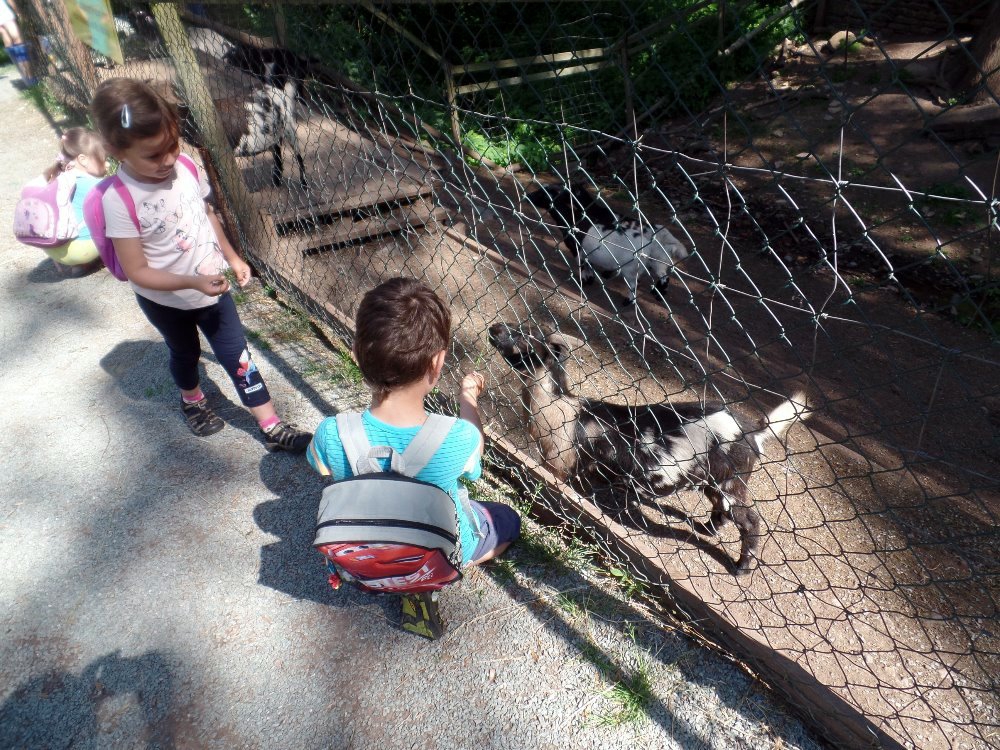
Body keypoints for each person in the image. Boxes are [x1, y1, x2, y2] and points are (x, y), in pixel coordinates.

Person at [89, 77, 312, 452]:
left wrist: (233, 257)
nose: (167, 160)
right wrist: (191, 283)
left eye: (172, 146)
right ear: (116, 151)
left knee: (237, 355)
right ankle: (192, 399)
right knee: (185, 352)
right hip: (165, 300)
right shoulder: (120, 199)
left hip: (212, 288)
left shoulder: (187, 167)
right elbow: (137, 271)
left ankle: (271, 425)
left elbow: (206, 214)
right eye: (153, 155)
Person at [307, 277, 521, 569]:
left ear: (356, 355)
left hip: (362, 561)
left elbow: (320, 466)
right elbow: (475, 458)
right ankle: (457, 563)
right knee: (506, 519)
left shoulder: (332, 432)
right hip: (434, 555)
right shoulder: (457, 437)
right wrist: (468, 396)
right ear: (437, 363)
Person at [41, 127, 107, 276]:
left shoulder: (58, 177)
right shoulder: (94, 184)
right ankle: (111, 257)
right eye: (103, 159)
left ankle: (79, 266)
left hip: (55, 250)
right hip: (82, 249)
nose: (107, 164)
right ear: (83, 159)